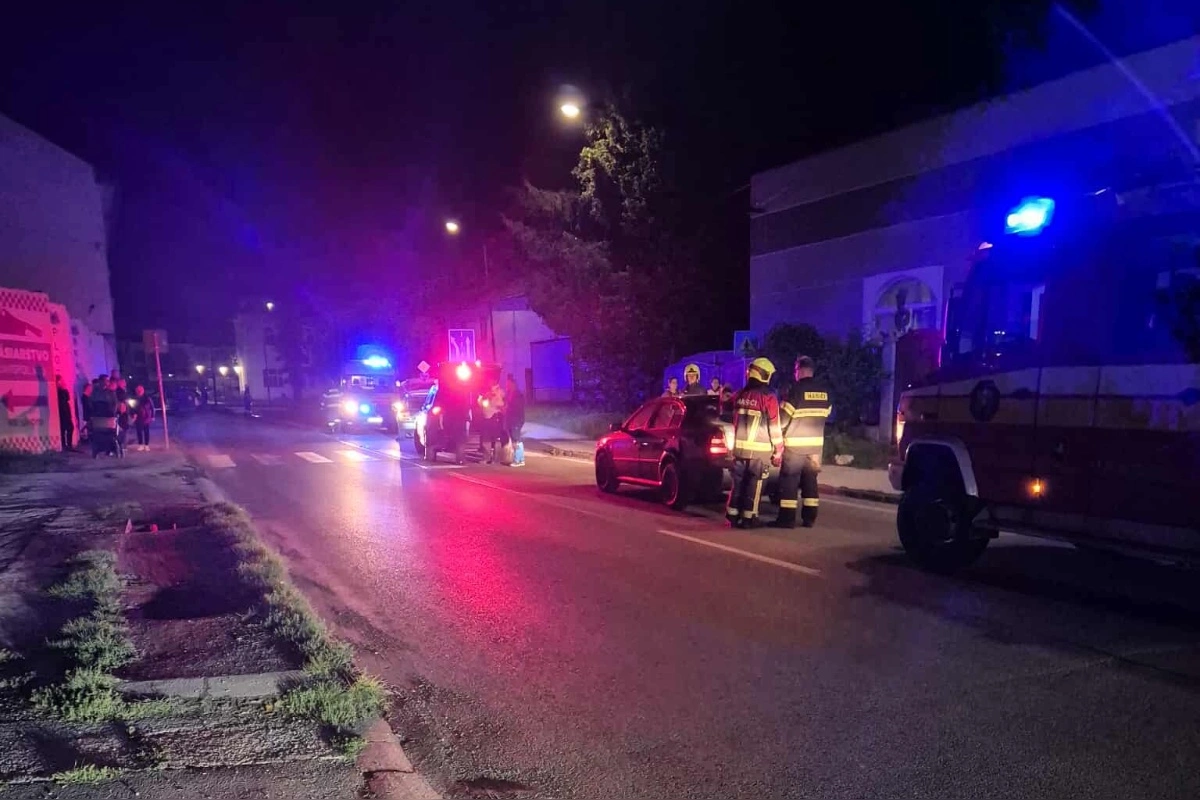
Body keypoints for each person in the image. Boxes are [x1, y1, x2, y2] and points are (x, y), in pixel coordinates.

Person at [768, 356, 832, 529]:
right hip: (815, 447)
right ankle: (809, 518)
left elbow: (783, 420)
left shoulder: (795, 390)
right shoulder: (824, 391)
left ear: (800, 370)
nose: (795, 374)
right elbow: (827, 413)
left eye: (795, 370)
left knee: (789, 482)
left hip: (795, 446)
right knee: (810, 480)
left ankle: (787, 519)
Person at [725, 358, 783, 529]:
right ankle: (749, 518)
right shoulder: (768, 397)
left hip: (739, 451)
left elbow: (726, 409)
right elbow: (775, 427)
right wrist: (778, 451)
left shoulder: (739, 395)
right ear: (764, 374)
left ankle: (733, 515)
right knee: (755, 484)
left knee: (738, 483)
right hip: (759, 451)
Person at [504, 373, 526, 467]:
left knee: (516, 440)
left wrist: (507, 408)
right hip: (512, 420)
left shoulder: (517, 395)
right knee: (516, 439)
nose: (507, 386)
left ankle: (518, 460)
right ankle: (520, 459)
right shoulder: (510, 394)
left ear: (513, 384)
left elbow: (517, 408)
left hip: (516, 420)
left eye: (508, 384)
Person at [132, 385, 155, 451]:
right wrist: (133, 414)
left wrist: (152, 416)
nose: (139, 392)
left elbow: (152, 408)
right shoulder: (135, 398)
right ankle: (140, 444)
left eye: (140, 390)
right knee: (139, 431)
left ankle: (146, 445)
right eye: (138, 391)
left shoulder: (147, 398)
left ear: (143, 391)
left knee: (146, 431)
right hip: (138, 417)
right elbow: (133, 408)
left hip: (146, 417)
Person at [55, 375, 74, 451]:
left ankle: (67, 444)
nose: (62, 382)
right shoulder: (59, 391)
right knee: (64, 428)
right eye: (60, 381)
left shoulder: (63, 391)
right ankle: (65, 445)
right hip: (62, 412)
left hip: (65, 411)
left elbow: (67, 399)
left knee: (68, 428)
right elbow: (63, 400)